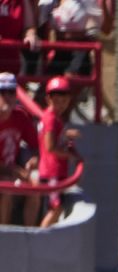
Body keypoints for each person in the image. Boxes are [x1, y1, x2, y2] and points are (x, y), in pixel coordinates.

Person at [37, 76, 77, 228]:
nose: (61, 105)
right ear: (49, 99)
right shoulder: (51, 119)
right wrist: (71, 156)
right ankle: (40, 240)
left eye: (64, 101)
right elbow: (50, 147)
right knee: (56, 208)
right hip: (51, 172)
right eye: (57, 101)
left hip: (53, 171)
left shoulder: (54, 118)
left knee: (54, 208)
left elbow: (54, 138)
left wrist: (66, 135)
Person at [0, 72, 37, 226]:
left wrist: (32, 161)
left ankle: (31, 234)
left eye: (11, 92)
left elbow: (36, 146)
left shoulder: (20, 116)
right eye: (2, 92)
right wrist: (11, 170)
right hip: (5, 172)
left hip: (11, 170)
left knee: (36, 181)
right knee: (7, 188)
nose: (7, 96)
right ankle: (4, 235)